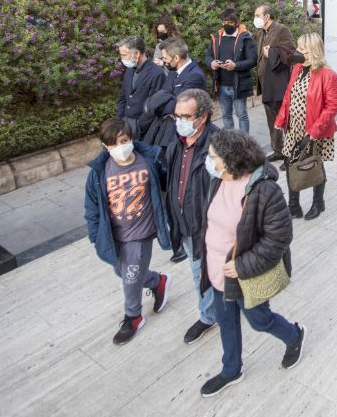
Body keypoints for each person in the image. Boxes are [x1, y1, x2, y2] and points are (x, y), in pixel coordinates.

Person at [198, 129, 305, 397]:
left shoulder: (263, 189)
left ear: (232, 159)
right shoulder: (217, 180)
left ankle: (294, 336)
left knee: (259, 321)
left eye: (213, 157)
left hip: (245, 274)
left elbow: (279, 236)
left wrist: (242, 265)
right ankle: (231, 370)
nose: (208, 161)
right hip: (216, 273)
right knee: (227, 323)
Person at [84, 118, 172, 345]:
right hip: (114, 234)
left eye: (123, 141)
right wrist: (95, 235)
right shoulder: (99, 172)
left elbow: (165, 183)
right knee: (121, 272)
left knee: (131, 276)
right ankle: (157, 281)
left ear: (131, 139)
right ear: (105, 146)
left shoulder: (147, 161)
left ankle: (133, 316)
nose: (119, 147)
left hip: (141, 233)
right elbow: (92, 206)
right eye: (113, 144)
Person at [164, 89, 220, 345]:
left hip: (209, 227)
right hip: (184, 222)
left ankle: (209, 316)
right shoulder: (176, 141)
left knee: (202, 273)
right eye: (177, 116)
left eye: (186, 117)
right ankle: (214, 309)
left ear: (203, 117)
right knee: (200, 271)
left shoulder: (219, 144)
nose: (180, 122)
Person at [275, 33, 337, 219]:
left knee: (313, 166)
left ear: (315, 51)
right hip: (293, 127)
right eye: (299, 49)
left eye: (304, 50)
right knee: (289, 163)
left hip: (314, 130)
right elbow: (289, 95)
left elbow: (331, 108)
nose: (300, 53)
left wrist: (312, 133)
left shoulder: (328, 75)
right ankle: (293, 205)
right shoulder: (297, 68)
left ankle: (318, 203)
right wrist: (280, 121)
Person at [142, 38, 207, 147]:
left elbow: (175, 106)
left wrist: (162, 101)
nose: (163, 61)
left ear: (176, 58)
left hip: (179, 131)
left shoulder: (194, 76)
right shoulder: (173, 72)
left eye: (165, 58)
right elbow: (161, 94)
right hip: (164, 125)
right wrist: (167, 98)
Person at [253, 5, 298, 162]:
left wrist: (271, 52)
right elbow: (259, 57)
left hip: (279, 84)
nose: (255, 18)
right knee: (271, 120)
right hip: (266, 84)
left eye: (257, 15)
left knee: (285, 120)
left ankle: (291, 153)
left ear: (267, 16)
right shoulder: (261, 33)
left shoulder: (281, 29)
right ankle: (278, 150)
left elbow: (291, 54)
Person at [205, 8, 258, 134]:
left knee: (242, 115)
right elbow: (208, 56)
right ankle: (231, 141)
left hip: (238, 84)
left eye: (230, 23)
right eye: (224, 22)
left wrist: (235, 66)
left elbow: (253, 60)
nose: (227, 25)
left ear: (236, 23)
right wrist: (211, 63)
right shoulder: (216, 37)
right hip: (222, 84)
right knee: (226, 115)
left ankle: (245, 143)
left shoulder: (246, 37)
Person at [116, 36, 165, 139]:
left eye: (124, 55)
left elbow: (153, 107)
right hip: (125, 123)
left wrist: (138, 126)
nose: (122, 59)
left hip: (143, 130)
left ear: (137, 53)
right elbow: (123, 96)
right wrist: (121, 119)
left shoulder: (157, 73)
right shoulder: (130, 69)